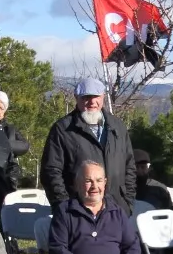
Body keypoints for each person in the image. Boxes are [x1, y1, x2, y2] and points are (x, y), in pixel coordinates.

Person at [41, 78, 136, 207]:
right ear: (76, 98)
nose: (92, 102)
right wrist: (64, 207)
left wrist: (127, 202)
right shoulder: (62, 129)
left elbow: (129, 166)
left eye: (96, 96)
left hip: (117, 209)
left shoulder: (118, 127)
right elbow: (51, 172)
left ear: (103, 96)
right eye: (86, 97)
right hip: (77, 212)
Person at [0, 88, 32, 173]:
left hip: (6, 173)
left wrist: (1, 144)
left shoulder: (10, 129)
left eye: (1, 108)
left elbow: (24, 146)